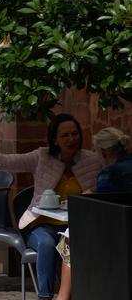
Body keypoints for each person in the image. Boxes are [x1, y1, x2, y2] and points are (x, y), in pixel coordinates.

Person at [0, 114, 103, 300]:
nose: (71, 139)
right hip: (41, 223)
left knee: (71, 244)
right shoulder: (42, 157)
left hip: (75, 226)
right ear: (55, 139)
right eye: (65, 135)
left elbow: (108, 178)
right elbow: (6, 161)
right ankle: (45, 296)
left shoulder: (92, 160)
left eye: (75, 134)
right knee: (47, 244)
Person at [52, 127, 131, 300]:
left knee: (69, 238)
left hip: (116, 237)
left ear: (102, 152)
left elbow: (104, 211)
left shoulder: (109, 173)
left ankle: (63, 296)